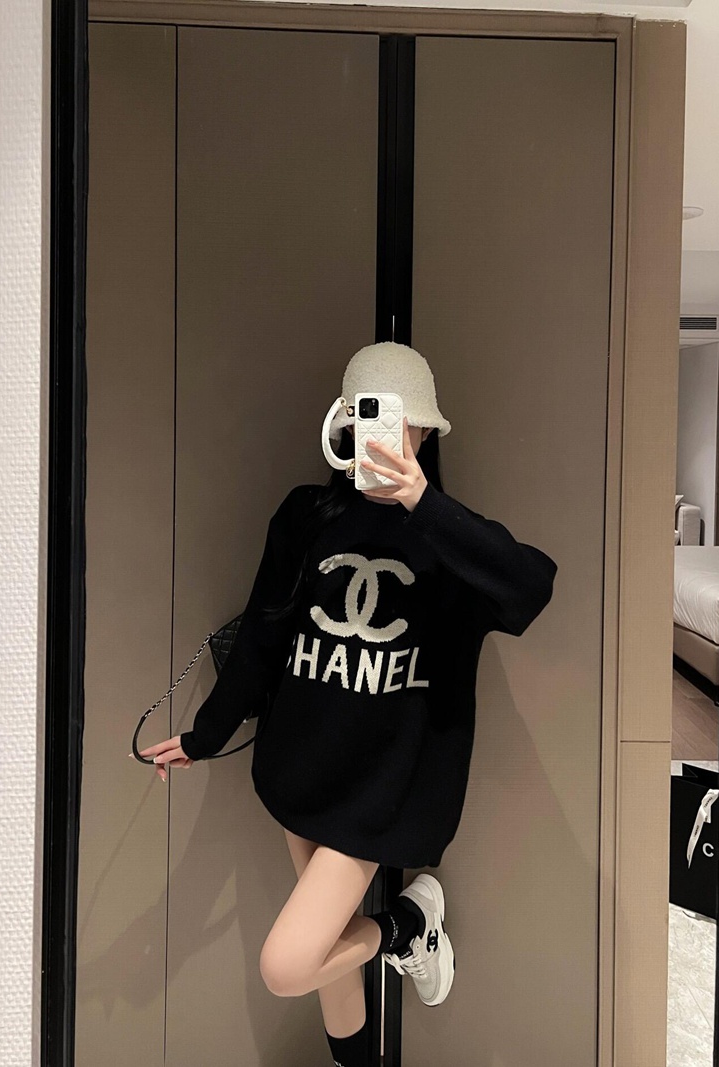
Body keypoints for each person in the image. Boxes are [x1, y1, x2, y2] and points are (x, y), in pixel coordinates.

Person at [135, 342, 559, 1067]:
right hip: (300, 769)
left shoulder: (450, 545)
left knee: (288, 964)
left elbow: (531, 589)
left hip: (379, 793)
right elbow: (262, 636)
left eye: (404, 424)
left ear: (424, 432)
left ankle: (405, 926)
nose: (388, 437)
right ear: (344, 424)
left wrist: (423, 503)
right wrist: (205, 735)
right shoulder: (305, 517)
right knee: (330, 955)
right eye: (370, 420)